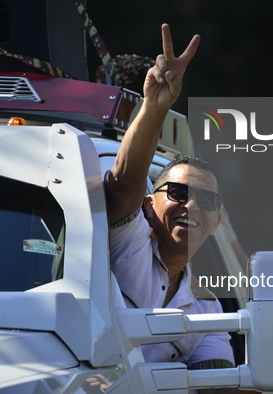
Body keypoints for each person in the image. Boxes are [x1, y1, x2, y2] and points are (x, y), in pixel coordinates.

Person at [104, 24, 236, 373]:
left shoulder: (208, 308)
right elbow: (125, 180)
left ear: (215, 224)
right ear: (149, 204)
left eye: (207, 201)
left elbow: (217, 383)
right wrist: (154, 107)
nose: (191, 205)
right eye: (179, 192)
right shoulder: (125, 243)